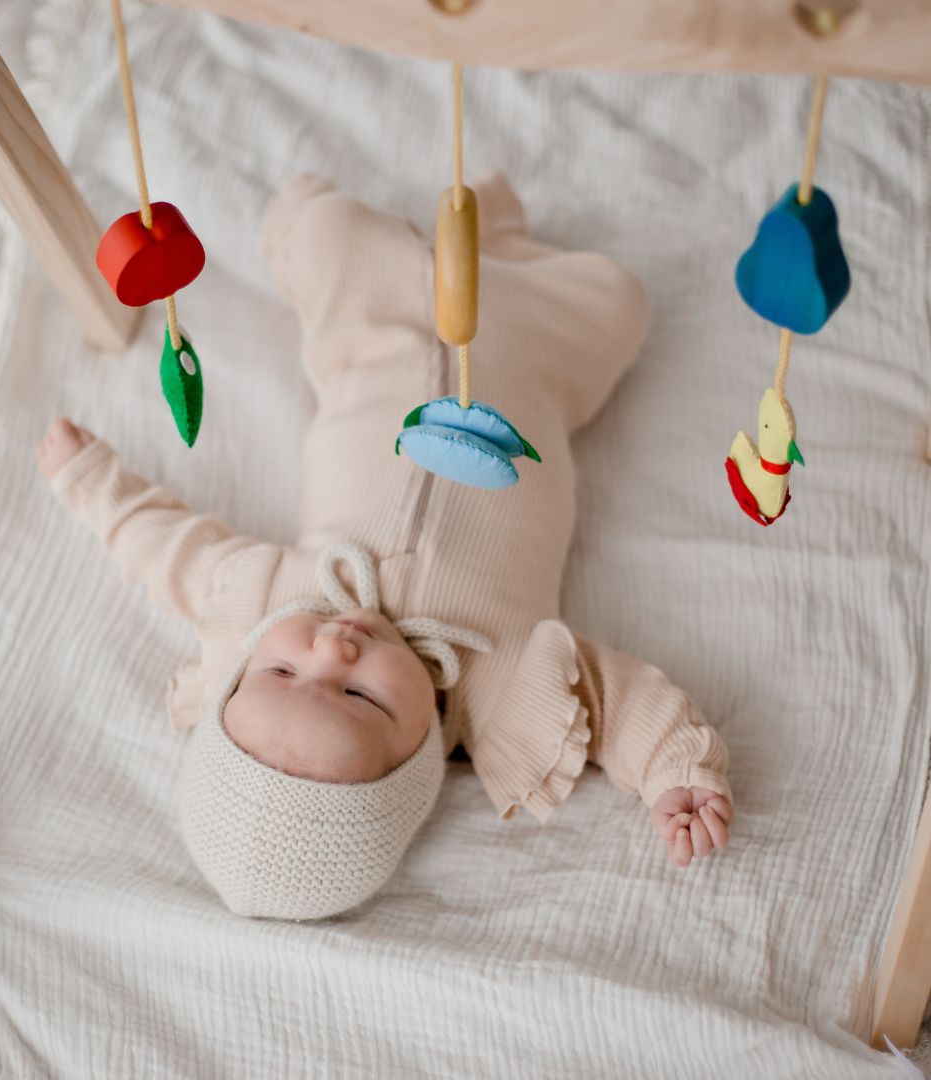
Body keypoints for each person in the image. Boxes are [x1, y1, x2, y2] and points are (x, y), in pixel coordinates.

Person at [37, 172, 734, 921]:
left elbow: (162, 548)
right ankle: (495, 242)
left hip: (373, 344)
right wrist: (674, 769)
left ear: (239, 671)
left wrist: (87, 479)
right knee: (621, 300)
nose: (332, 649)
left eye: (281, 669)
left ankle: (329, 220)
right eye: (359, 696)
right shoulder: (503, 684)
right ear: (418, 760)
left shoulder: (265, 600)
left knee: (327, 231)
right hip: (529, 357)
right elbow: (618, 701)